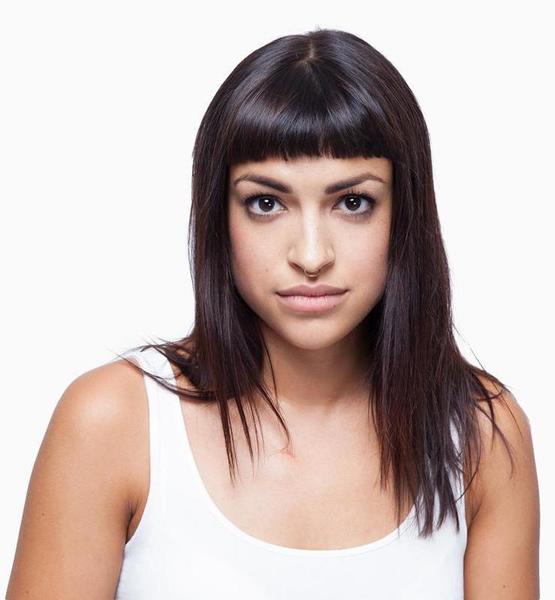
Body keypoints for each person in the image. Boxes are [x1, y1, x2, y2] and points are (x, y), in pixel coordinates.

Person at [6, 28, 540, 599]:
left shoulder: (480, 433)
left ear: (403, 214)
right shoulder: (115, 423)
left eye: (352, 202)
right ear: (220, 215)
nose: (311, 255)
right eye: (266, 203)